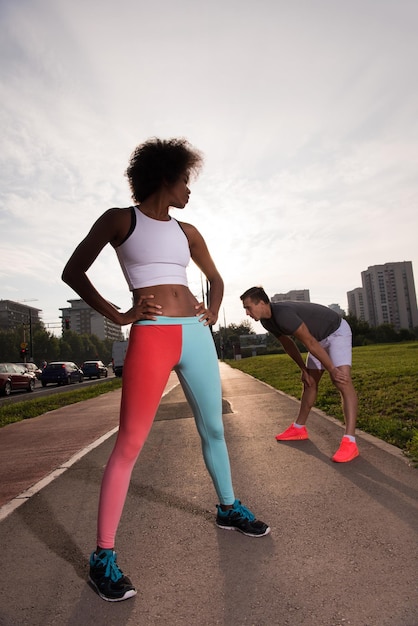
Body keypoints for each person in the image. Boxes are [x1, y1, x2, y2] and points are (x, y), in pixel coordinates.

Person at [62, 138, 270, 603]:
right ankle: (103, 557)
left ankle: (228, 508)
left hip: (195, 335)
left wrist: (213, 310)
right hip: (151, 333)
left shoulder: (188, 231)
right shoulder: (121, 220)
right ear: (164, 177)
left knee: (214, 427)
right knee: (130, 443)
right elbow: (73, 271)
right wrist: (117, 314)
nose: (189, 191)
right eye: (185, 181)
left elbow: (216, 279)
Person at [240, 286, 359, 464]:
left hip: (336, 332)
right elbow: (288, 344)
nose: (247, 313)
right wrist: (303, 369)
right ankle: (299, 428)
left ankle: (350, 442)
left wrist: (332, 369)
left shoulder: (283, 315)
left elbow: (309, 342)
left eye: (248, 307)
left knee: (342, 381)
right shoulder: (267, 321)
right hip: (318, 340)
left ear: (263, 303)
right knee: (310, 383)